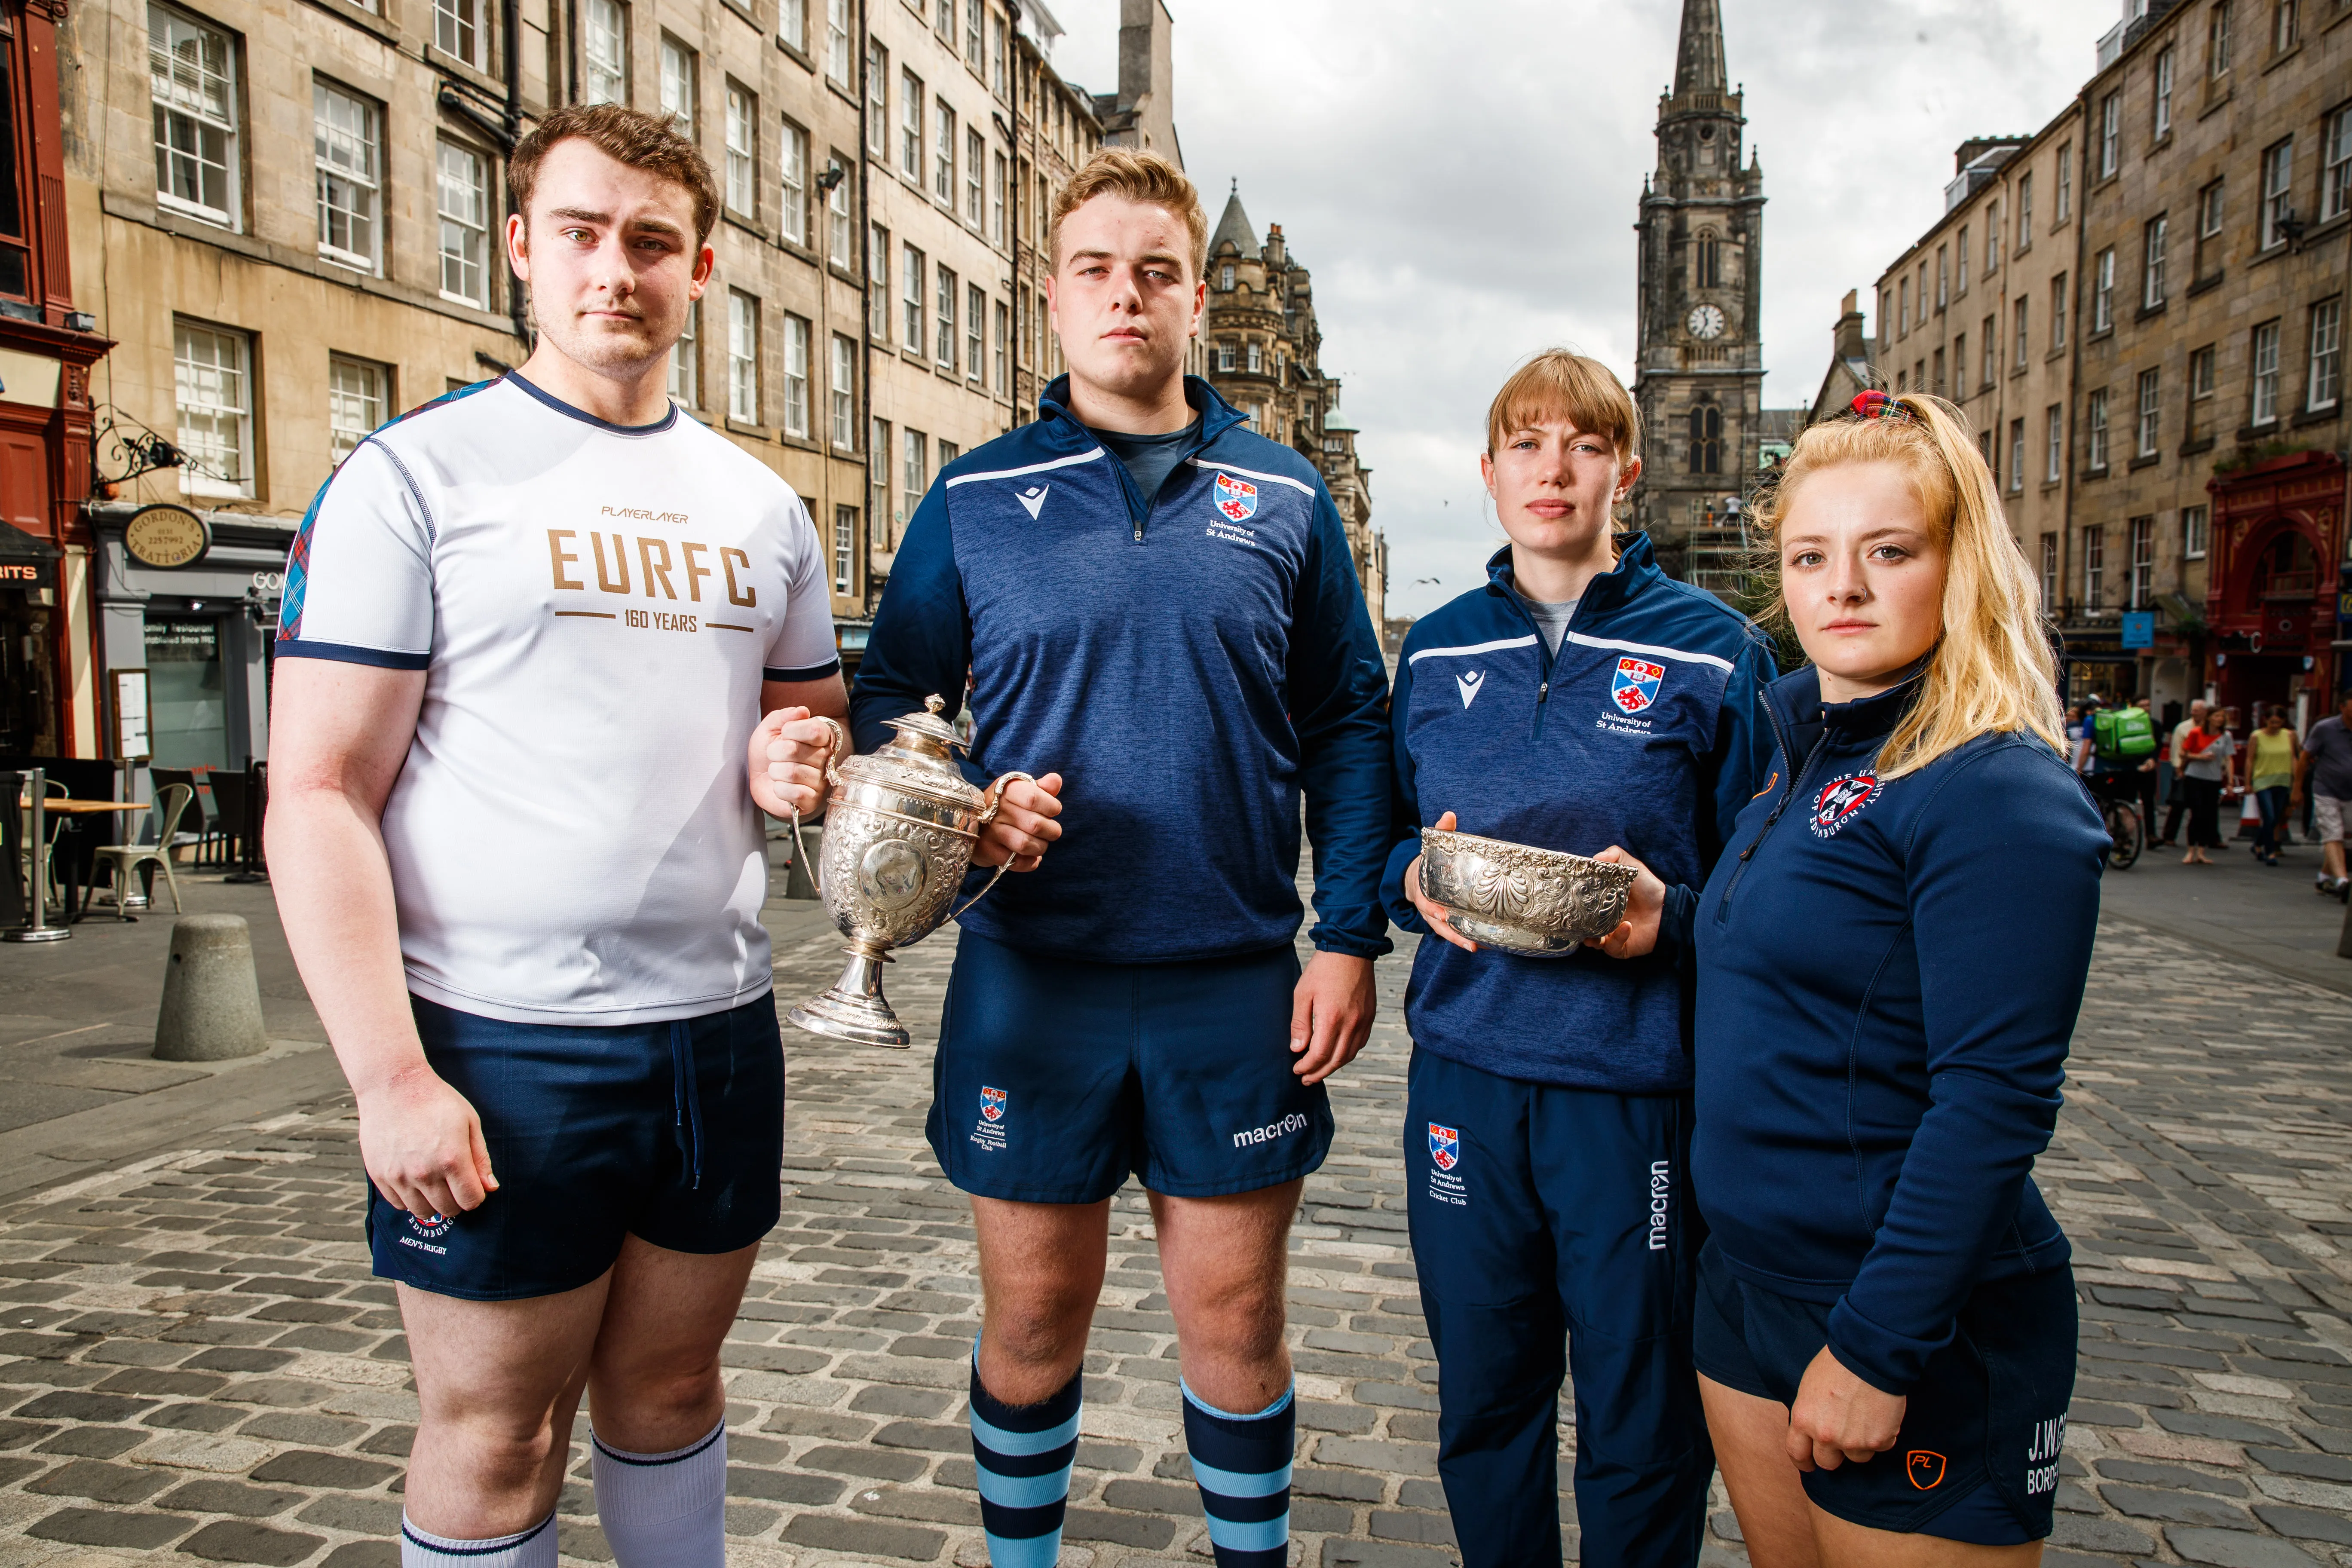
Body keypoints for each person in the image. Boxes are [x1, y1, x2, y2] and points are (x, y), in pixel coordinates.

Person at [266, 105, 849, 1568]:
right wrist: (390, 1074)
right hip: (501, 1031)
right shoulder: (416, 477)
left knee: (669, 1389)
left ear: (702, 264)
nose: (616, 269)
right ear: (522, 245)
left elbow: (811, 737)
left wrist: (803, 761)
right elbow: (318, 787)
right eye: (582, 232)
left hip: (714, 1027)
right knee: (495, 1429)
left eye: (652, 240)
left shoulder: (763, 506)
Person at [836, 148, 1391, 1568]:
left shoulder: (1286, 497)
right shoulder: (972, 495)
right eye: (1096, 269)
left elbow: (1346, 718)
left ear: (1197, 297)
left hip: (1228, 979)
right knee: (1030, 1318)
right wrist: (969, 811)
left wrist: (1344, 934)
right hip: (1035, 978)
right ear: (1054, 298)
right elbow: (893, 705)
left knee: (1236, 1321)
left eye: (1155, 271)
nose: (1125, 295)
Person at [1683, 391, 2106, 1565]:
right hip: (1750, 1289)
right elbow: (1807, 961)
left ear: (1955, 563)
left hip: (1903, 1318)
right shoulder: (1804, 749)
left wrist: (1879, 1347)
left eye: (1888, 552)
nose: (1843, 587)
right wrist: (1655, 914)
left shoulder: (1992, 787)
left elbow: (1996, 1103)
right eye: (1811, 555)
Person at [1385, 351, 1774, 1567]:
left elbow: (1773, 891)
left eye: (1586, 444)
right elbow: (1387, 834)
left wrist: (1681, 915)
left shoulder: (1717, 653)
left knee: (1642, 1415)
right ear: (1489, 474)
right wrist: (1407, 876)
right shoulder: (1439, 650)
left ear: (1628, 470)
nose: (1555, 468)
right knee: (1486, 1404)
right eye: (1528, 444)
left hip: (1637, 1094)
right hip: (1467, 1079)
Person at [2298, 692, 2352, 897]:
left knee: (2345, 837)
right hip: (2326, 789)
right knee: (2333, 834)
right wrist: (2297, 789)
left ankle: (2324, 877)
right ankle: (2343, 881)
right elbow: (2305, 758)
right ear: (2342, 707)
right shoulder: (2325, 729)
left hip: (2350, 793)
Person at [2247, 706, 2300, 866]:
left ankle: (2257, 844)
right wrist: (2248, 782)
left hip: (2283, 779)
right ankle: (2270, 852)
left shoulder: (2290, 736)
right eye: (2272, 722)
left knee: (2275, 818)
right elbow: (2250, 760)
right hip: (2263, 780)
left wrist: (2297, 782)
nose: (2275, 725)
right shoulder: (2257, 736)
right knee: (2269, 816)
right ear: (2266, 721)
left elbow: (2294, 758)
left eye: (2279, 722)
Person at [2179, 709, 2230, 865]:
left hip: (2214, 779)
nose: (2219, 719)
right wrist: (2200, 757)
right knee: (2197, 812)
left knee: (2208, 814)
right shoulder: (2196, 733)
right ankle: (2190, 850)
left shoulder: (2226, 736)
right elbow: (2183, 753)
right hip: (2195, 777)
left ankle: (2201, 851)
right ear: (2209, 718)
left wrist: (2230, 780)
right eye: (2216, 716)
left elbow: (2229, 759)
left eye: (2221, 716)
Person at [2156, 698, 2208, 848]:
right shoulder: (2183, 728)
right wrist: (2178, 768)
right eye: (2193, 710)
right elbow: (2177, 749)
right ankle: (2169, 835)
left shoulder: (2209, 729)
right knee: (2178, 803)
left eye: (2197, 710)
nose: (2194, 713)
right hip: (2184, 768)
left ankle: (2209, 836)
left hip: (2203, 770)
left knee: (2203, 806)